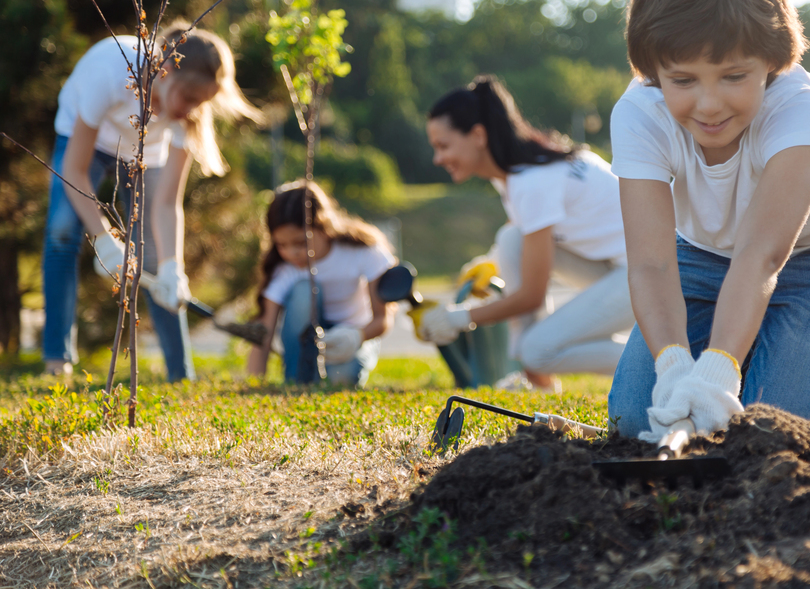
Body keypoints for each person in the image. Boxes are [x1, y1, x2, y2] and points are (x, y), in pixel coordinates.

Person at [607, 0, 810, 441]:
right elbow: (651, 261)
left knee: (768, 436)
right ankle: (753, 341)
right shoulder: (639, 112)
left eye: (734, 76)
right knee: (630, 422)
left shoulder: (801, 110)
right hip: (701, 255)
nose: (709, 105)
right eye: (683, 81)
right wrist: (672, 367)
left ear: (772, 59)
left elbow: (761, 257)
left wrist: (715, 370)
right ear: (652, 71)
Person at [43, 21, 264, 380]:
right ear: (164, 72)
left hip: (140, 151)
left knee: (154, 259)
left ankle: (180, 373)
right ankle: (57, 361)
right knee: (63, 232)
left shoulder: (186, 115)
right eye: (190, 99)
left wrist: (174, 267)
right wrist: (102, 236)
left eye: (202, 103)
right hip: (86, 140)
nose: (194, 110)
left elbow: (166, 204)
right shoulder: (110, 74)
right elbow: (74, 171)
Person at [421, 75, 635, 391]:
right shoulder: (520, 170)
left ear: (478, 135)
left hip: (652, 275)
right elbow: (524, 239)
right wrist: (491, 261)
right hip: (621, 267)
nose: (438, 158)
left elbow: (531, 296)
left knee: (537, 351)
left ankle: (669, 364)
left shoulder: (530, 182)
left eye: (444, 146)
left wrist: (460, 318)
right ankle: (537, 380)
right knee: (510, 239)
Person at [246, 180, 396, 386]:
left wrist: (356, 336)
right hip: (303, 343)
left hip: (353, 335)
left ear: (324, 225)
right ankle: (297, 381)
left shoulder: (362, 250)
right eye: (282, 245)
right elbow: (263, 334)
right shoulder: (283, 268)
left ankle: (323, 376)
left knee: (340, 378)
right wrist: (254, 384)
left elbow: (383, 318)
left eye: (300, 243)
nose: (292, 253)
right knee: (304, 290)